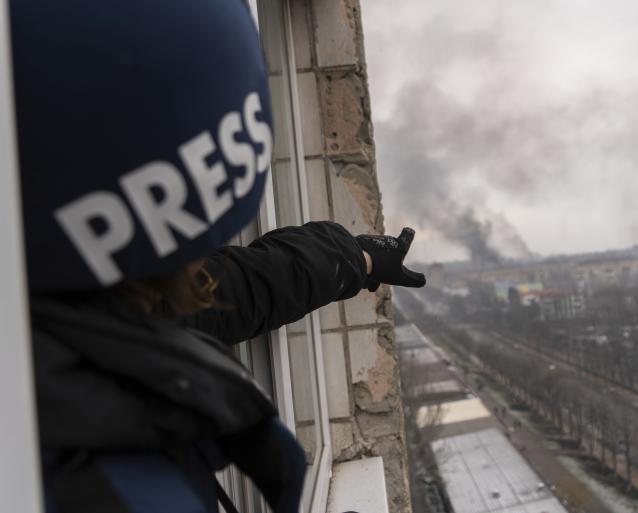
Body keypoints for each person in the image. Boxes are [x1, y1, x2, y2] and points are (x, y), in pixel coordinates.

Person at [10, 1, 425, 512]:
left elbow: (219, 294)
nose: (194, 267)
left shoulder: (73, 315)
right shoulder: (92, 482)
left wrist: (353, 258)